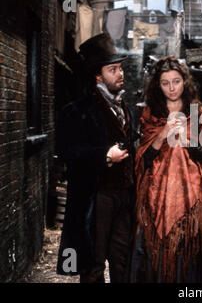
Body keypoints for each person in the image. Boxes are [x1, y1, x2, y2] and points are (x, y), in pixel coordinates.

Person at [130, 56, 202, 283]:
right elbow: (143, 160)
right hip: (158, 195)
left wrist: (187, 140)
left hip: (194, 195)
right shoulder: (150, 114)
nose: (172, 88)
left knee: (194, 248)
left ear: (185, 82)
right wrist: (163, 134)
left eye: (176, 81)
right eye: (165, 83)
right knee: (155, 252)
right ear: (158, 85)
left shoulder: (199, 111)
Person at [56, 33, 137, 283]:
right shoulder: (78, 110)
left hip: (124, 196)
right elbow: (68, 152)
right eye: (113, 69)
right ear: (98, 76)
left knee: (123, 259)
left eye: (121, 68)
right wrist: (104, 155)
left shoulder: (125, 108)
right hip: (96, 196)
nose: (120, 73)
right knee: (93, 263)